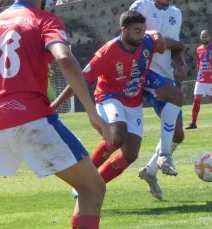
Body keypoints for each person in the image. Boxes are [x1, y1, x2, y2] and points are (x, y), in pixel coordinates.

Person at [0, 1, 111, 228]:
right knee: (91, 187)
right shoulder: (43, 20)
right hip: (31, 119)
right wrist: (92, 112)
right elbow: (65, 59)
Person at [51, 10, 166, 198]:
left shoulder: (147, 42)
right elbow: (80, 79)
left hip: (134, 103)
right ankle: (84, 178)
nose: (142, 34)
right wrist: (55, 105)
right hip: (109, 98)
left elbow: (162, 46)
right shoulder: (107, 52)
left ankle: (91, 187)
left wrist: (159, 37)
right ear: (124, 30)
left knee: (130, 155)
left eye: (144, 30)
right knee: (117, 137)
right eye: (137, 30)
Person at [128, 0, 187, 200]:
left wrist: (181, 64)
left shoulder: (176, 13)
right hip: (143, 72)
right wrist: (168, 43)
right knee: (120, 137)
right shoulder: (141, 6)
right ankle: (164, 156)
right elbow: (133, 36)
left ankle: (150, 171)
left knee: (178, 135)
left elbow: (173, 47)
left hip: (165, 75)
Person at [186, 30, 212, 129]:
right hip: (200, 79)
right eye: (202, 37)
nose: (204, 38)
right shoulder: (199, 49)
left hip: (211, 80)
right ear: (200, 38)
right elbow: (199, 63)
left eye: (206, 36)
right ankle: (193, 123)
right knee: (196, 100)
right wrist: (198, 74)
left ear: (209, 37)